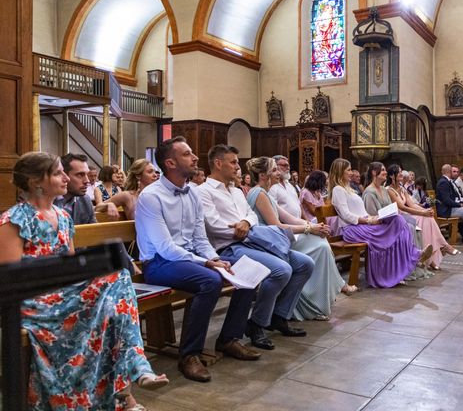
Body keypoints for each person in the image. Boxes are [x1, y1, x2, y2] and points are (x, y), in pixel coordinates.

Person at [0, 152, 167, 410]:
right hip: (32, 302)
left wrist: (83, 278)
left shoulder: (63, 217)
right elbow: (9, 278)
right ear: (36, 182)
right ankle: (128, 383)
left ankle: (130, 375)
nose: (65, 177)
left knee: (118, 282)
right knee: (108, 299)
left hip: (62, 295)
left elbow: (68, 267)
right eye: (58, 173)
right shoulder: (15, 219)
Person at [136, 137, 260, 383]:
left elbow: (200, 238)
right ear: (170, 163)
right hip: (159, 263)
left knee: (247, 272)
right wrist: (206, 263)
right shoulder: (151, 196)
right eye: (187, 154)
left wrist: (214, 258)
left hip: (188, 259)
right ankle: (189, 355)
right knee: (210, 281)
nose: (195, 158)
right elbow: (165, 247)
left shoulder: (192, 192)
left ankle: (228, 339)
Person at [197, 145, 314, 350]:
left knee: (305, 263)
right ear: (218, 163)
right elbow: (213, 225)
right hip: (229, 248)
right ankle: (257, 324)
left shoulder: (235, 191)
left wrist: (246, 223)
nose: (237, 166)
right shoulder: (203, 191)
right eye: (233, 162)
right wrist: (243, 229)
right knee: (281, 270)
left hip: (252, 241)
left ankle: (279, 315)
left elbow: (250, 214)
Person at [246, 157, 356, 321]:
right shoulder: (258, 193)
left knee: (320, 242)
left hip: (279, 238)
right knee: (321, 247)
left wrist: (314, 226)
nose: (279, 173)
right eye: (274, 170)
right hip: (270, 243)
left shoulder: (265, 193)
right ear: (263, 175)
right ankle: (314, 300)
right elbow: (276, 225)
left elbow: (289, 217)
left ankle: (319, 297)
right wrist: (308, 228)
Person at [328, 158, 432, 288]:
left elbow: (360, 211)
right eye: (348, 170)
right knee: (393, 232)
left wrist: (374, 217)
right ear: (340, 171)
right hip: (352, 229)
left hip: (362, 224)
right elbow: (345, 215)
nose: (351, 172)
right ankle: (413, 256)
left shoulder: (348, 189)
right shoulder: (338, 189)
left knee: (398, 221)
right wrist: (369, 220)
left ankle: (411, 258)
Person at [386, 164, 460, 271]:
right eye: (399, 172)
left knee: (428, 218)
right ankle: (441, 248)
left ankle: (432, 256)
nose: (402, 174)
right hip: (398, 216)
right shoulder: (389, 190)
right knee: (423, 219)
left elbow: (411, 204)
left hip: (407, 214)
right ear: (392, 175)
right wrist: (421, 213)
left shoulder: (401, 188)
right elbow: (402, 207)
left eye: (401, 171)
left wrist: (424, 211)